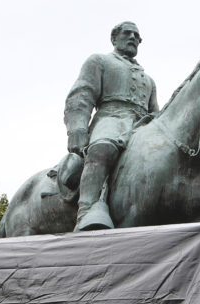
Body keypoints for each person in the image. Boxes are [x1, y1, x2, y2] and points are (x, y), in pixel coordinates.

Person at [63, 21, 158, 231]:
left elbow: (155, 113)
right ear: (114, 38)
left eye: (137, 36)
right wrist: (77, 129)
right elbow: (82, 95)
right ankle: (86, 212)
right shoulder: (99, 61)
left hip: (142, 125)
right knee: (102, 148)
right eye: (128, 33)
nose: (133, 37)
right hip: (110, 118)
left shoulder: (149, 80)